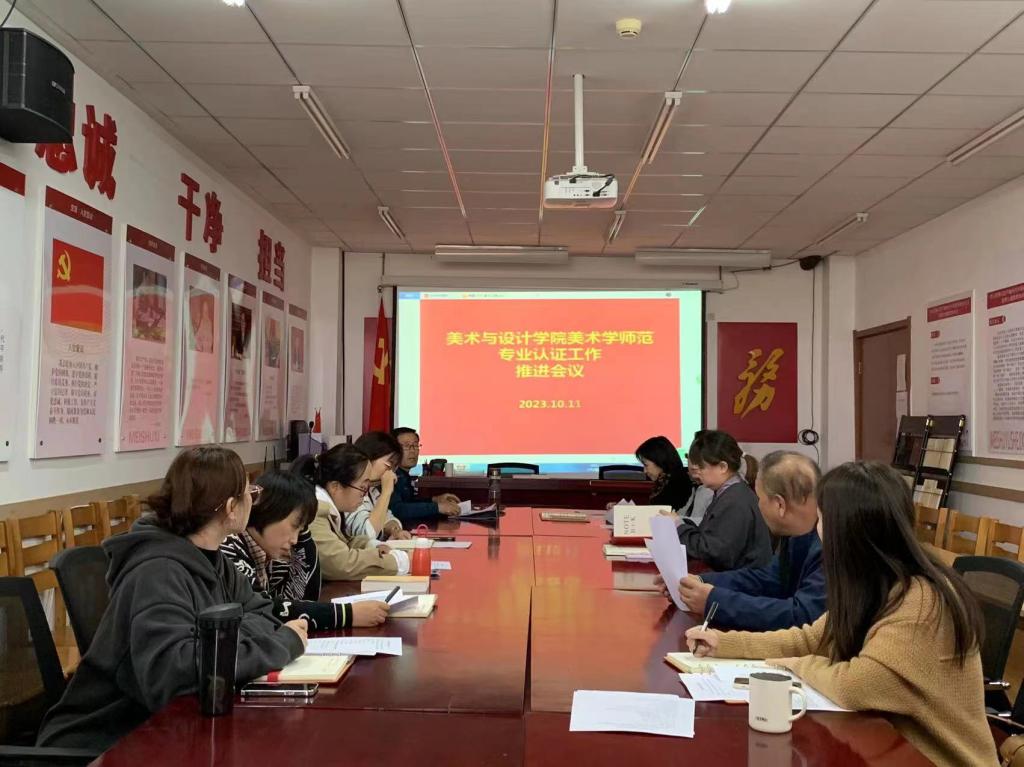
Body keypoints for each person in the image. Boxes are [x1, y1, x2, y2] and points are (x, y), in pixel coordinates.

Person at [685, 461, 995, 766]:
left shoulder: (921, 600)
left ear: (847, 531)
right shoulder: (872, 584)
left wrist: (797, 666)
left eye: (821, 519)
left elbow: (855, 685)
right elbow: (809, 638)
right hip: (887, 747)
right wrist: (725, 644)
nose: (817, 531)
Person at [37, 447, 306, 751]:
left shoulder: (215, 561)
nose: (253, 501)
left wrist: (220, 638)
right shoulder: (158, 571)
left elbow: (264, 613)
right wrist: (279, 645)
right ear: (232, 507)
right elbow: (174, 674)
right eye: (250, 494)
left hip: (162, 728)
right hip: (105, 739)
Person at [665, 451, 825, 632]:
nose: (757, 505)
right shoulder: (797, 535)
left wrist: (713, 601)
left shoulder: (829, 546)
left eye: (760, 499)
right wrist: (698, 582)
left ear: (779, 505)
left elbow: (800, 616)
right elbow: (767, 579)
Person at [221, 469, 388, 629]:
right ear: (270, 510)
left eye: (300, 530)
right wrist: (346, 615)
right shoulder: (229, 547)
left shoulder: (268, 552)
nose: (295, 540)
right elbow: (266, 609)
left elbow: (304, 597)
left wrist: (304, 529)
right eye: (294, 526)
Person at [295, 444, 410, 581]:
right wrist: (398, 562)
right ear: (335, 487)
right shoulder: (314, 512)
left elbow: (344, 542)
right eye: (362, 488)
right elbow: (341, 564)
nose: (364, 495)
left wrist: (372, 546)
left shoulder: (329, 506)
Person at [676, 430, 771, 571]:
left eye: (701, 467)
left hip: (741, 580)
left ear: (722, 467)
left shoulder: (735, 501)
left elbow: (714, 553)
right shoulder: (730, 493)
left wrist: (679, 527)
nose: (697, 473)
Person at [347, 431, 412, 541]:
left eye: (394, 467)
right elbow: (367, 534)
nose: (391, 472)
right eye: (389, 465)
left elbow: (387, 517)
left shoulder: (371, 489)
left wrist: (394, 530)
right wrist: (386, 492)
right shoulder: (349, 489)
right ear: (369, 457)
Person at [388, 427, 461, 524]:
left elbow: (409, 502)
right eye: (407, 446)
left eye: (415, 445)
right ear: (393, 450)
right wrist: (437, 507)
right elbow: (397, 510)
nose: (413, 451)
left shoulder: (403, 475)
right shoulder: (390, 475)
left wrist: (435, 500)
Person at [635, 435, 692, 511]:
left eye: (646, 465)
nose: (644, 471)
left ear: (659, 460)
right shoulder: (665, 481)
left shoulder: (677, 484)